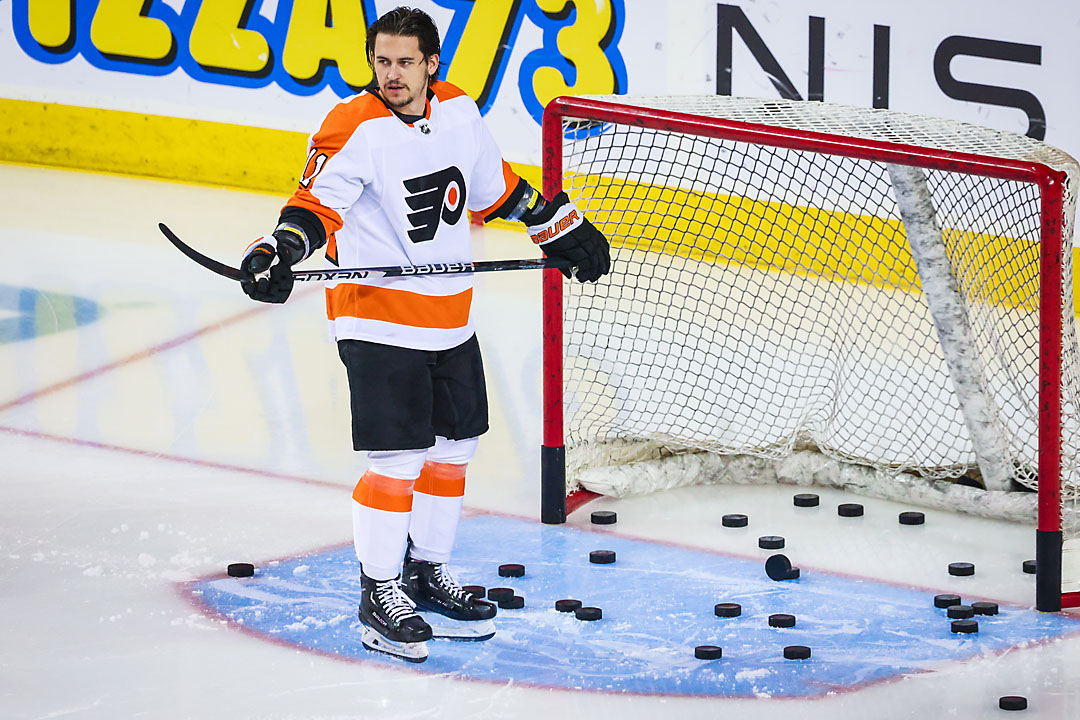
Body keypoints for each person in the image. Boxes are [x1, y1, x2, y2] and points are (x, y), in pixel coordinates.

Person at [237, 7, 610, 662]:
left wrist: (560, 224)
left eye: (406, 62)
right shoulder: (353, 125)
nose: (393, 74)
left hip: (449, 312)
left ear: (432, 64)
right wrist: (279, 250)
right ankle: (379, 591)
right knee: (398, 460)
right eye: (382, 61)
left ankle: (425, 572)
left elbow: (499, 193)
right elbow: (313, 209)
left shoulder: (460, 111)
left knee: (456, 446)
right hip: (376, 314)